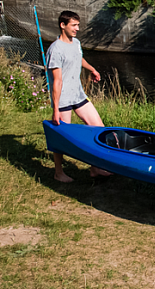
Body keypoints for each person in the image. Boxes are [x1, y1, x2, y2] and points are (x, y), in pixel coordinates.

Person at [46, 10, 110, 183]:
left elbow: (78, 58)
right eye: (73, 25)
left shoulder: (76, 43)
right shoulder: (55, 50)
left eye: (78, 25)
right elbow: (57, 82)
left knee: (99, 127)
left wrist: (91, 69)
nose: (77, 29)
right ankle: (58, 172)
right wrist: (56, 109)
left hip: (78, 94)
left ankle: (96, 167)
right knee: (61, 137)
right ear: (63, 25)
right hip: (63, 99)